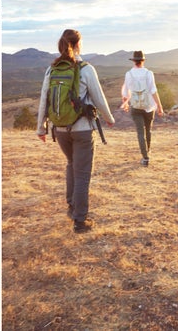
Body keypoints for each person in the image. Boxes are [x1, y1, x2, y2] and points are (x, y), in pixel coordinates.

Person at [36, 28, 115, 233]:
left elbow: (44, 98)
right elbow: (99, 97)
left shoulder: (51, 69)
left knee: (71, 164)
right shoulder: (86, 68)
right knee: (82, 174)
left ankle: (72, 207)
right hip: (82, 129)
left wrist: (41, 128)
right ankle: (80, 221)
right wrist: (109, 119)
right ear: (79, 44)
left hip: (60, 130)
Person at [120, 50, 164, 166]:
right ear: (143, 61)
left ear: (134, 61)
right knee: (148, 129)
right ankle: (147, 151)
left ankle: (145, 157)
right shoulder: (149, 73)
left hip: (136, 106)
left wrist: (125, 104)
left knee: (140, 132)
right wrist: (159, 106)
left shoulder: (129, 74)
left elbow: (125, 92)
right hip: (149, 106)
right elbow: (153, 91)